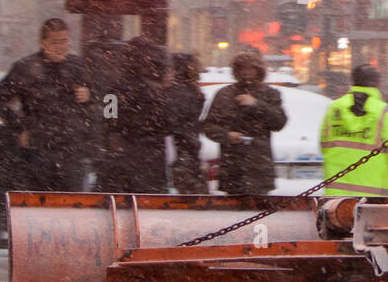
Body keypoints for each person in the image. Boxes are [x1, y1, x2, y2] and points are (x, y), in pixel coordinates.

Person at [0, 18, 94, 195]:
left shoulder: (78, 67)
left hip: (72, 150)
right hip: (38, 149)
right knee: (39, 203)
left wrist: (89, 96)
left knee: (72, 204)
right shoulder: (25, 68)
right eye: (55, 42)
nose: (61, 47)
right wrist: (18, 127)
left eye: (65, 41)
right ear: (42, 43)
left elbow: (107, 98)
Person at [202, 52, 287, 195]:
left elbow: (279, 123)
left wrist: (256, 104)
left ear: (259, 70)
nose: (247, 72)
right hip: (232, 166)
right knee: (234, 211)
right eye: (243, 68)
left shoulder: (270, 93)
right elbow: (208, 126)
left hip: (259, 166)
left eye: (251, 68)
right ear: (236, 71)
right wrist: (227, 136)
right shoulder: (224, 94)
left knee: (259, 210)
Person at [320, 64, 388, 198]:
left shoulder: (334, 108)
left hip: (335, 197)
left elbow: (324, 146)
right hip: (372, 197)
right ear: (377, 83)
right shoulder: (384, 112)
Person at [102, 36, 171, 193]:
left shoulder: (113, 88)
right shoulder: (157, 91)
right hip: (151, 159)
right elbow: (166, 124)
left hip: (121, 160)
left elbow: (107, 120)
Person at [166, 52, 206, 194]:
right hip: (189, 145)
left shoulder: (174, 90)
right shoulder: (193, 89)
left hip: (179, 146)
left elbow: (171, 121)